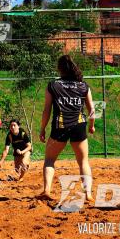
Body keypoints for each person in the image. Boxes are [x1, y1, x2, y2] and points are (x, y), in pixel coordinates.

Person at [39, 54, 95, 201]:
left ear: (60, 69)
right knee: (83, 161)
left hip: (60, 126)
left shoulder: (53, 85)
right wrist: (92, 125)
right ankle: (88, 193)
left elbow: (47, 110)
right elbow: (92, 110)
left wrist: (42, 128)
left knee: (49, 160)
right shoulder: (83, 85)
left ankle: (46, 190)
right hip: (79, 125)